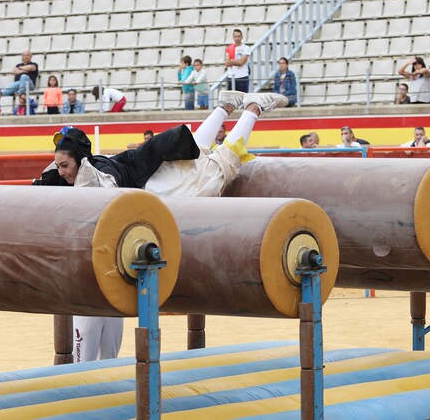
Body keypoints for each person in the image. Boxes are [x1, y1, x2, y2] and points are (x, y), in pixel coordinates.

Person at [34, 89, 288, 362]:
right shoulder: (89, 167)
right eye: (59, 165)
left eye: (64, 165)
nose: (61, 171)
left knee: (211, 170)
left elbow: (76, 183)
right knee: (196, 159)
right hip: (151, 190)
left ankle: (252, 109)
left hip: (156, 200)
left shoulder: (92, 180)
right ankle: (228, 106)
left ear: (78, 161)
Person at [225, 28, 250, 93]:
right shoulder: (229, 48)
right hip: (231, 77)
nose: (237, 38)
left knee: (243, 99)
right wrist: (235, 61)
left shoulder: (246, 48)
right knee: (231, 100)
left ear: (242, 37)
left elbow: (241, 62)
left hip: (242, 76)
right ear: (233, 37)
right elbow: (227, 63)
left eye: (239, 36)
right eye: (235, 36)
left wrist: (231, 61)